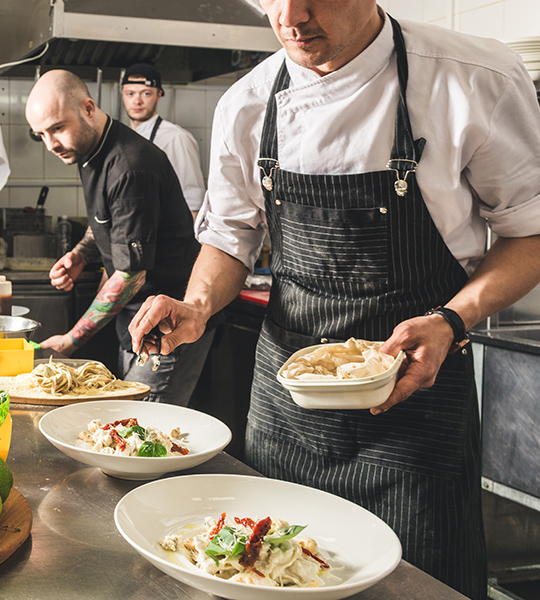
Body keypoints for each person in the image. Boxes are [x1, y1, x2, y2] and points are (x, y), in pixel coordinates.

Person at [128, 2, 540, 598]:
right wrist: (197, 305)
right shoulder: (247, 103)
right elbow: (230, 236)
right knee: (266, 575)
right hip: (286, 410)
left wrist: (453, 319)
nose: (291, 16)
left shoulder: (472, 79)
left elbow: (529, 234)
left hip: (415, 405)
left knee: (418, 586)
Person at [25, 69, 217, 406]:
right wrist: (82, 254)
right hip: (133, 322)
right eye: (40, 134)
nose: (51, 145)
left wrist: (71, 340)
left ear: (88, 108)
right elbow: (105, 219)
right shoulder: (88, 151)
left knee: (145, 427)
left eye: (57, 128)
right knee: (126, 420)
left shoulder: (131, 166)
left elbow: (131, 275)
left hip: (167, 327)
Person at [121, 63, 207, 219]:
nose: (137, 101)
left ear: (159, 95)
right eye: (130, 94)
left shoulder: (176, 138)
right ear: (122, 94)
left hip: (164, 231)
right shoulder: (122, 138)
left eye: (146, 94)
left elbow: (193, 202)